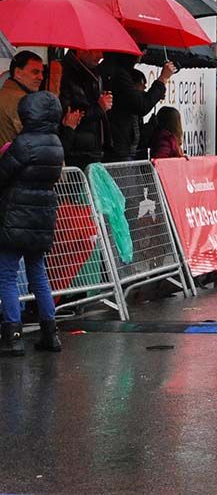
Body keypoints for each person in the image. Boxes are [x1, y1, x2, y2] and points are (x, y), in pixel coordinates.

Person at [0, 91, 65, 357]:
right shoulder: (56, 143)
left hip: (15, 216)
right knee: (38, 274)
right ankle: (51, 334)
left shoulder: (23, 144)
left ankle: (13, 336)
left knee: (6, 276)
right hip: (42, 217)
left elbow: (2, 175)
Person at [102, 55, 174, 162]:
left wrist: (155, 94)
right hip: (120, 151)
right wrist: (162, 79)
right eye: (142, 84)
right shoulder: (120, 80)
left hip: (129, 150)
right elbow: (141, 105)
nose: (144, 88)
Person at [58, 50, 113, 169]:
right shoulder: (65, 75)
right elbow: (68, 115)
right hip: (76, 152)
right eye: (95, 51)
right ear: (80, 50)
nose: (100, 55)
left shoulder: (94, 74)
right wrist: (99, 108)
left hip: (92, 149)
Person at [0, 51, 44, 148]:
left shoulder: (4, 94)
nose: (41, 77)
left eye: (42, 72)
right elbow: (35, 144)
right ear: (18, 73)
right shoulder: (24, 102)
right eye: (35, 72)